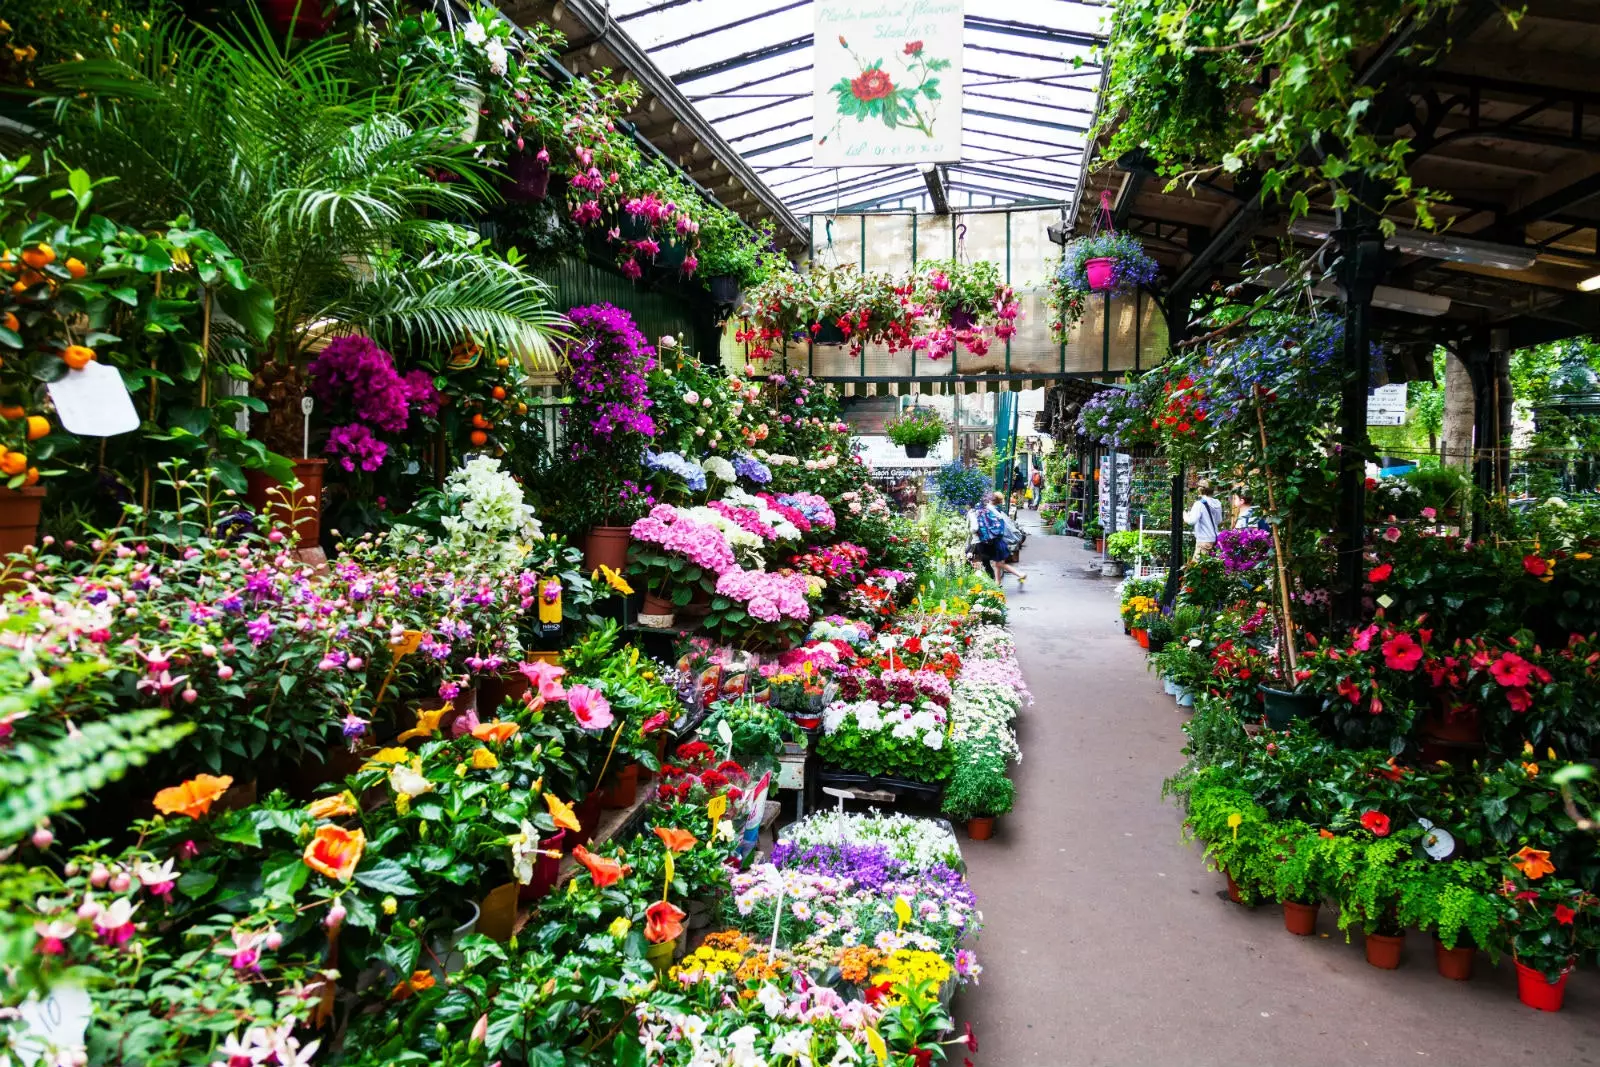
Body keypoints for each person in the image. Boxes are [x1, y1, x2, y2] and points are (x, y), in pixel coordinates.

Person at [976, 492, 1028, 587]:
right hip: (1000, 541)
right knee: (998, 563)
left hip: (996, 542)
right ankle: (997, 582)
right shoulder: (998, 510)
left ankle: (1020, 574)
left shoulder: (990, 510)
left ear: (991, 499)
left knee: (999, 564)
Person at [1184, 481, 1223, 559]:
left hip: (1203, 541)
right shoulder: (1217, 503)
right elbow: (1219, 520)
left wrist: (1185, 515)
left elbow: (1192, 521)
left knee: (1196, 568)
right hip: (1214, 539)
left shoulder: (1199, 504)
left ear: (1200, 490)